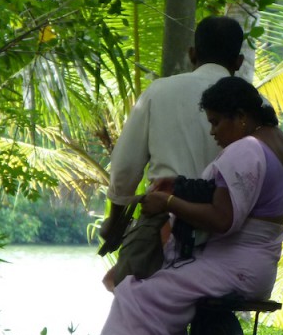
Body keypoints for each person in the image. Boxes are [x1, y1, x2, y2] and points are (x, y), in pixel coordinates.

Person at [68, 76, 283, 335]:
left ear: (240, 118)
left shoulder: (245, 150)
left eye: (217, 122)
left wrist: (169, 204)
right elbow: (230, 198)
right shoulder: (276, 142)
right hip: (254, 266)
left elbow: (223, 219)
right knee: (144, 294)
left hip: (231, 265)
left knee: (135, 296)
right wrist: (184, 186)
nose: (213, 132)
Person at [96, 16, 245, 292]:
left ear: (192, 54)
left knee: (126, 295)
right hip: (230, 239)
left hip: (165, 228)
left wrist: (114, 224)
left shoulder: (159, 92)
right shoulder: (256, 105)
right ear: (238, 62)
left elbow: (125, 169)